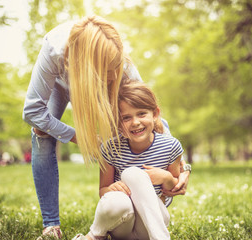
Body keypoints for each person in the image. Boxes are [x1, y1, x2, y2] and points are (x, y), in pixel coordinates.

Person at [22, 15, 191, 239]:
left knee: (132, 113)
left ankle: (128, 207)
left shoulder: (117, 61)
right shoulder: (54, 49)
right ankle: (51, 225)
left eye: (116, 66)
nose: (114, 76)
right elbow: (33, 112)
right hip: (60, 80)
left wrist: (182, 168)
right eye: (108, 70)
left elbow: (151, 115)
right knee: (42, 130)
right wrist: (78, 137)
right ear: (89, 65)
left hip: (133, 207)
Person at [73, 79, 184, 240]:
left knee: (132, 173)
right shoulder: (111, 148)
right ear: (118, 123)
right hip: (122, 222)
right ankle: (95, 235)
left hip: (151, 223)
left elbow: (174, 188)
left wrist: (166, 177)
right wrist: (112, 188)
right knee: (124, 186)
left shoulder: (170, 146)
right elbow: (103, 190)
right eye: (126, 118)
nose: (135, 122)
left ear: (155, 114)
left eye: (141, 114)